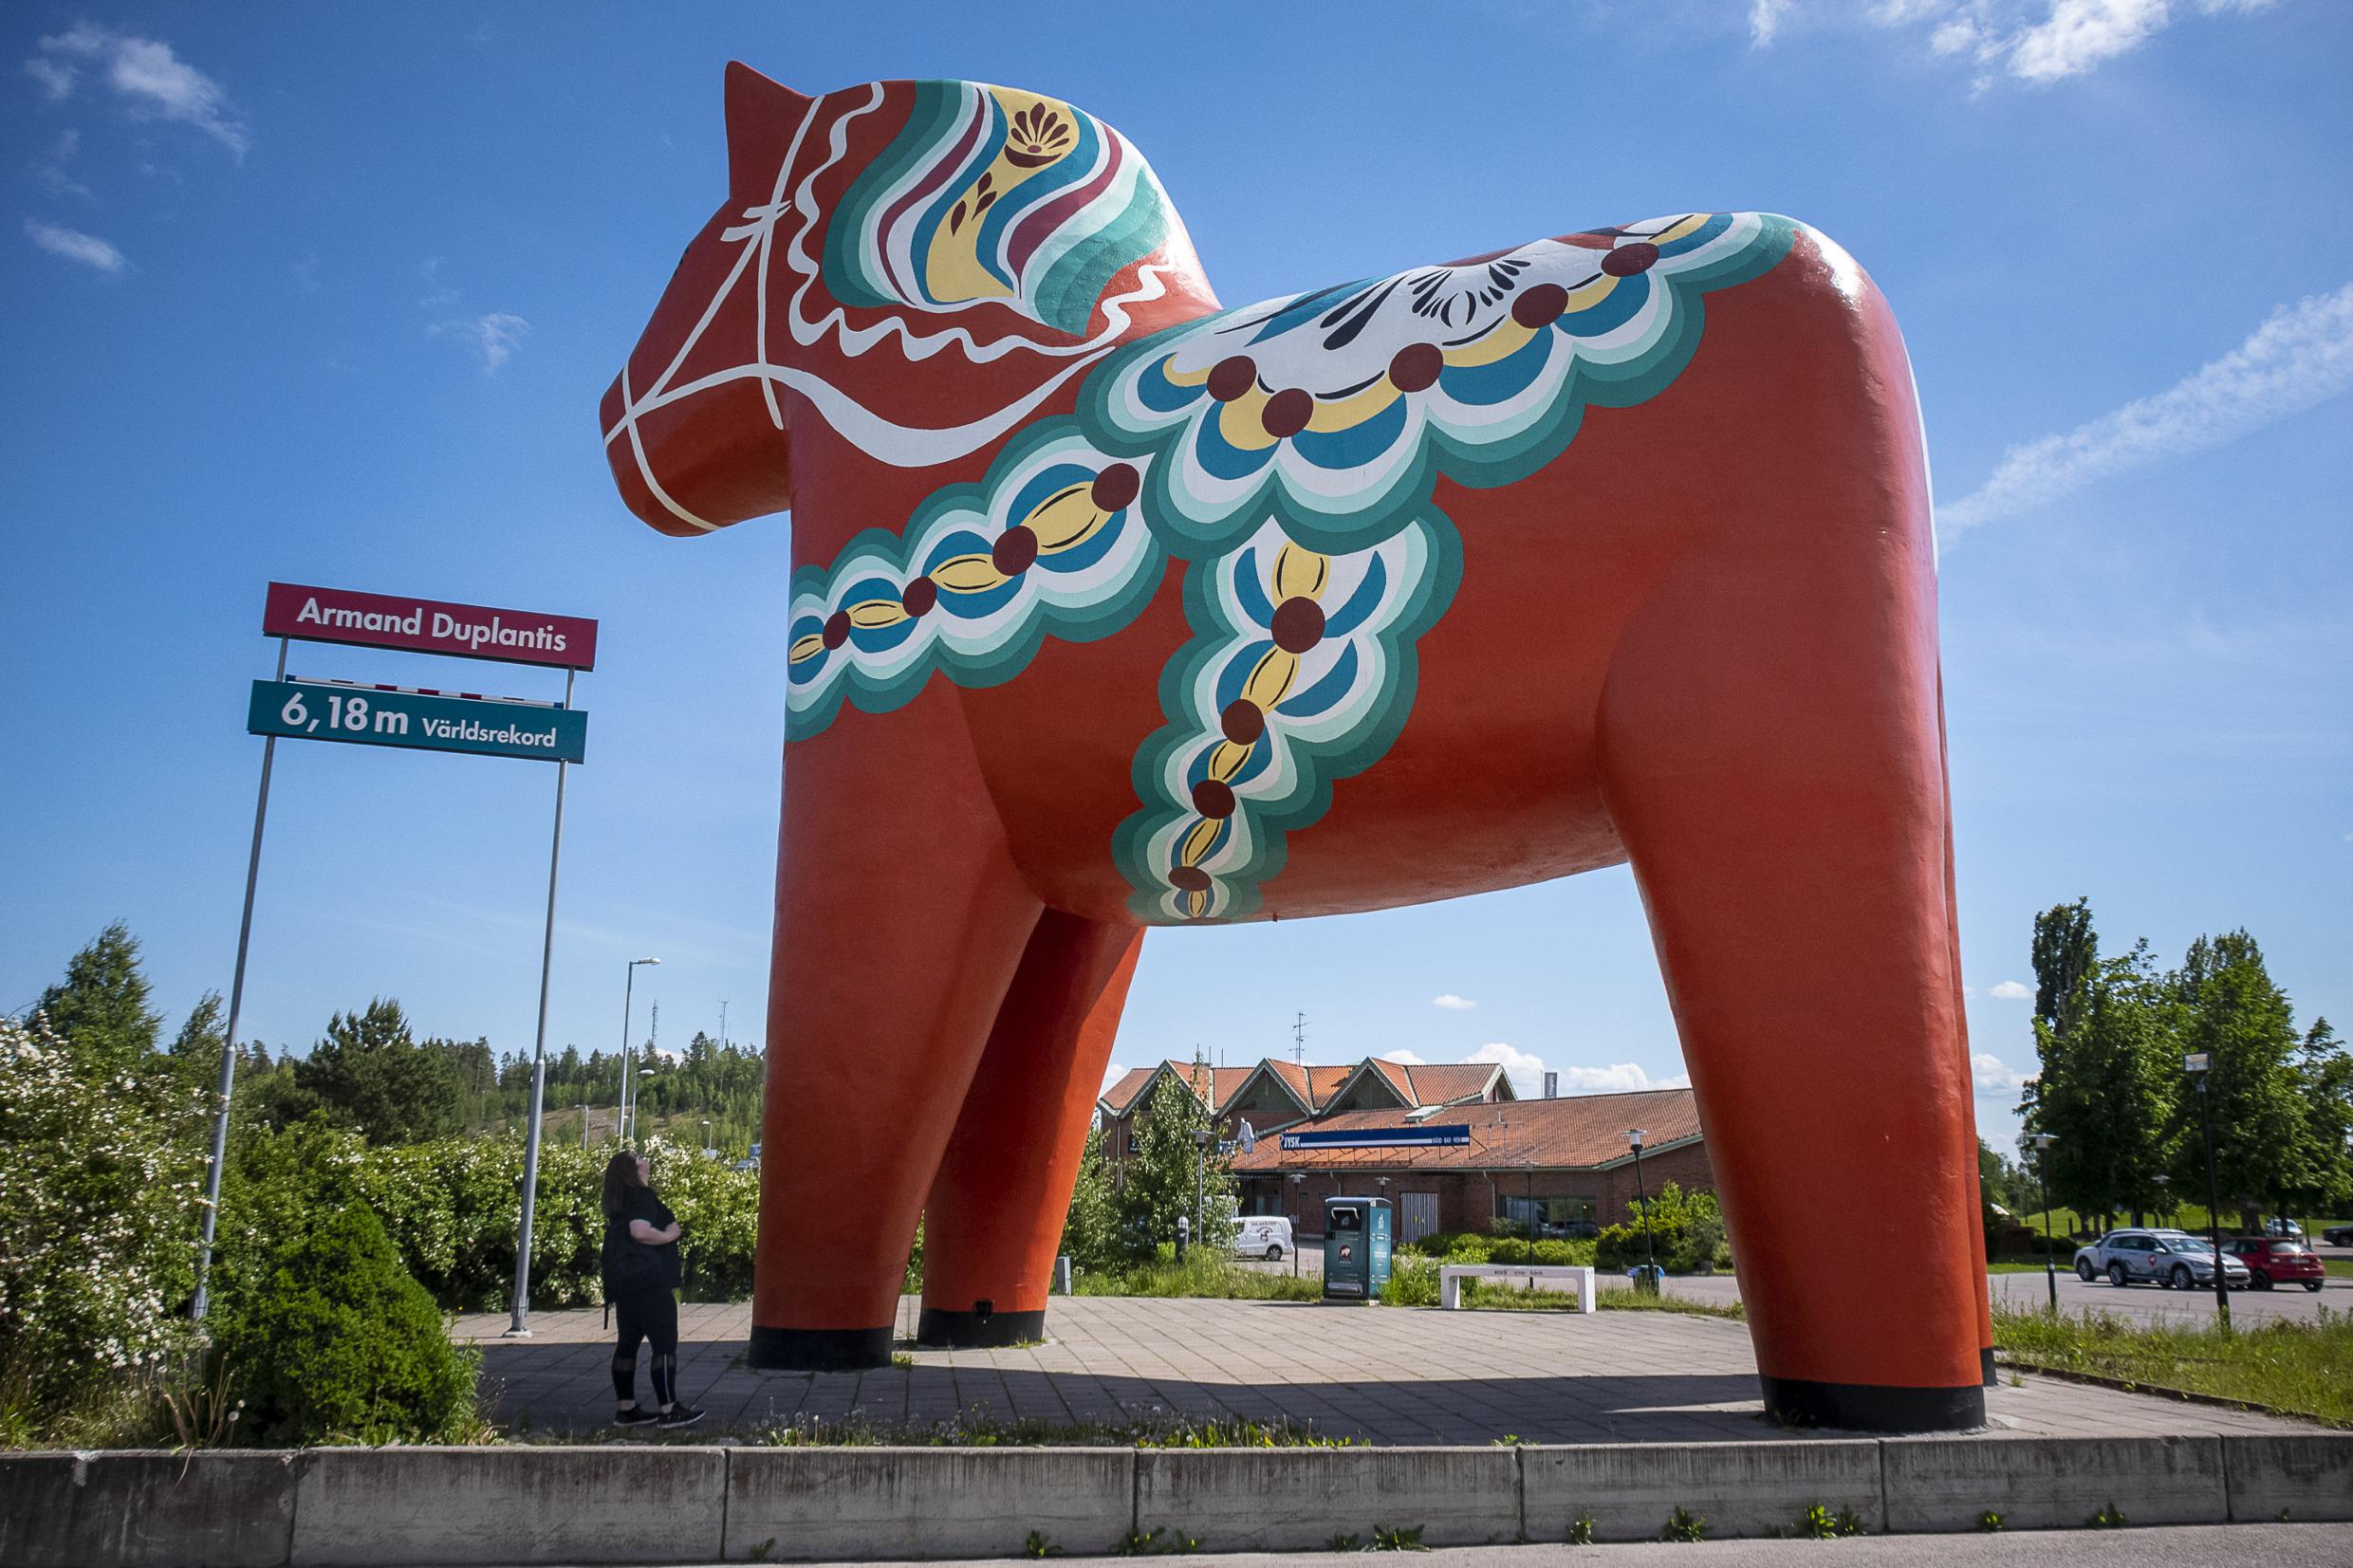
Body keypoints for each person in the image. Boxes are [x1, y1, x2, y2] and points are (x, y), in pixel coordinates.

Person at [601, 1149, 702, 1429]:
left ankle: (627, 1408)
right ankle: (669, 1409)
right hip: (650, 1282)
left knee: (628, 1344)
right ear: (632, 1171)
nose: (646, 1160)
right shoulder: (643, 1197)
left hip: (625, 1285)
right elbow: (639, 1231)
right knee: (665, 1344)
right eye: (639, 1158)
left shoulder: (619, 1201)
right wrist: (670, 1234)